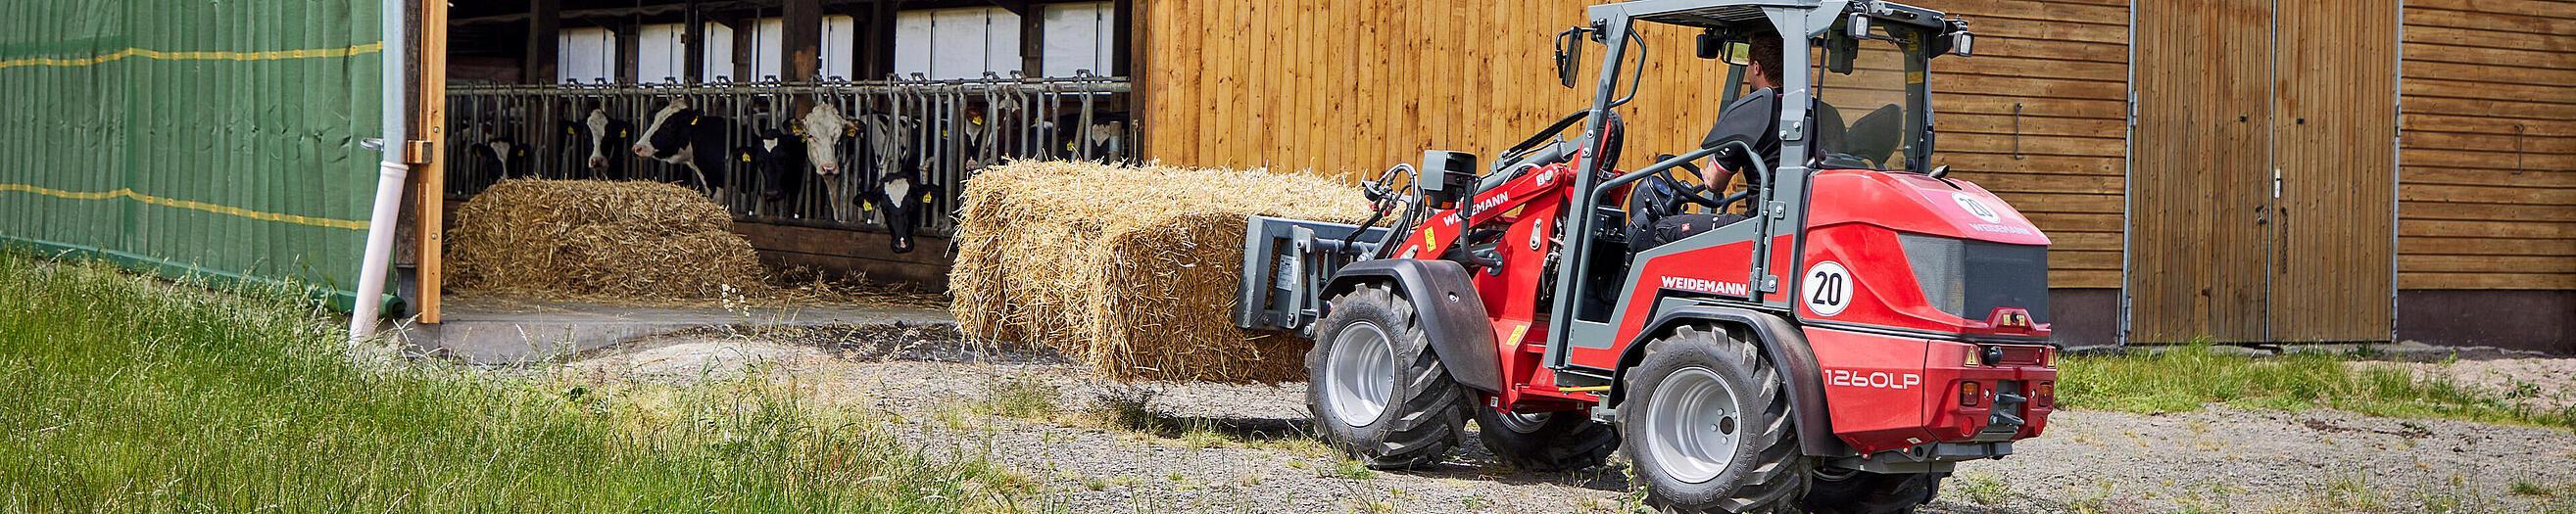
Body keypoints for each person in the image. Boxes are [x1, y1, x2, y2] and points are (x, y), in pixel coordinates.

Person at [1644, 32, 1784, 248]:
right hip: (1791, 223)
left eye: (1748, 65)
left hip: (1759, 226)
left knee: (1662, 229)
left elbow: (1714, 183)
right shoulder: (1818, 111)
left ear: (1756, 67)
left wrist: (1707, 172)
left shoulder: (1752, 110)